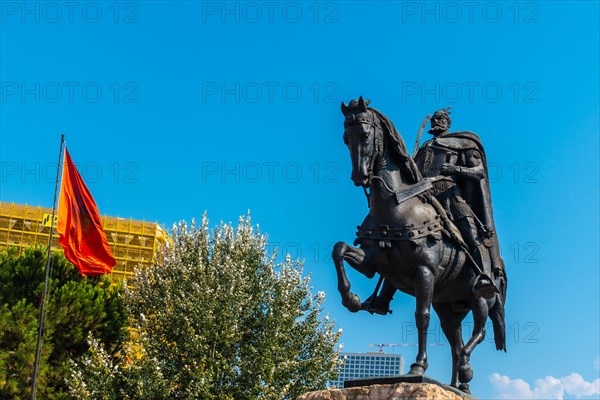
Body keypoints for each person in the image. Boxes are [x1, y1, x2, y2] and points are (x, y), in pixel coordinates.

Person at [361, 108, 502, 315]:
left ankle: (484, 277)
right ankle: (383, 299)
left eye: (442, 119)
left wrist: (456, 170)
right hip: (421, 196)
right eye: (435, 119)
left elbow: (478, 171)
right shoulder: (424, 148)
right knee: (399, 237)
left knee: (472, 234)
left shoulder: (462, 143)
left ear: (448, 123)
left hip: (449, 195)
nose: (437, 122)